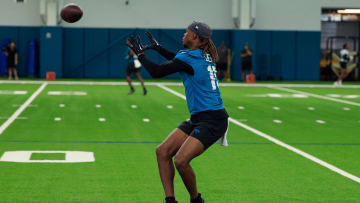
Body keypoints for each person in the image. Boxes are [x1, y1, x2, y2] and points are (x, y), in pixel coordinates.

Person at [127, 22, 229, 203]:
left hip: (213, 120)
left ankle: (196, 200)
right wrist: (159, 48)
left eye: (186, 33)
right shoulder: (203, 55)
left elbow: (157, 71)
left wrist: (140, 54)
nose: (183, 35)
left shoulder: (189, 58)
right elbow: (179, 62)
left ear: (194, 37)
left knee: (181, 161)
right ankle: (170, 201)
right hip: (200, 117)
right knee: (162, 152)